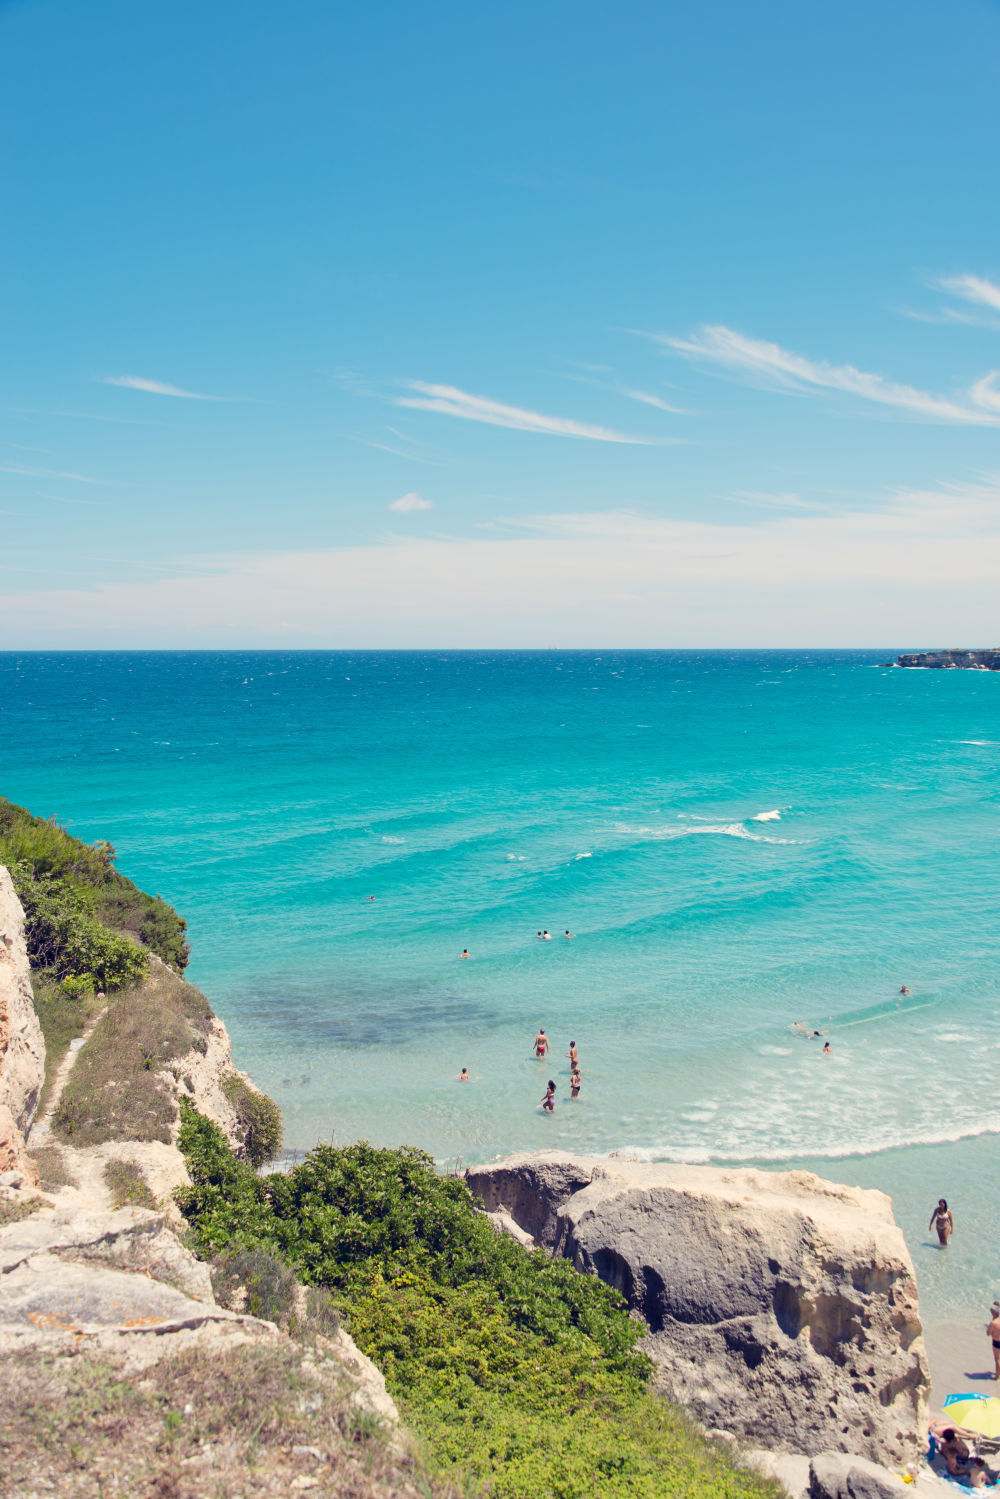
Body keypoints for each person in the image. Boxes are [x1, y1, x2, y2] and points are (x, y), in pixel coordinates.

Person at [988, 1302, 1000, 1380]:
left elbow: (988, 1333)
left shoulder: (993, 1323)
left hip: (996, 1342)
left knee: (997, 1359)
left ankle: (997, 1376)